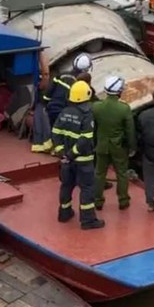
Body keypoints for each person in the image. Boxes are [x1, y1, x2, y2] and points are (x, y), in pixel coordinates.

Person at [52, 80, 104, 230]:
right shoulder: (87, 115)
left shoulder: (64, 112)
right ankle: (88, 220)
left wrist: (62, 153)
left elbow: (55, 133)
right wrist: (71, 154)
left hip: (66, 161)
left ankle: (64, 212)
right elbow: (85, 139)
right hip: (83, 161)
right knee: (87, 188)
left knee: (66, 185)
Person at [93, 75, 136, 210]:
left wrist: (95, 143)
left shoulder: (96, 107)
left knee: (99, 173)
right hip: (118, 148)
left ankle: (97, 201)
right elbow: (130, 131)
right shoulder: (124, 109)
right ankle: (123, 200)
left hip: (101, 145)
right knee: (122, 173)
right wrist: (132, 147)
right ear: (119, 91)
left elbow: (94, 128)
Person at [44, 52, 92, 125]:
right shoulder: (79, 86)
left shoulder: (61, 76)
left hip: (51, 111)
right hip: (64, 115)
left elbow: (47, 96)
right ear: (86, 70)